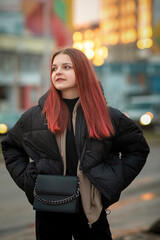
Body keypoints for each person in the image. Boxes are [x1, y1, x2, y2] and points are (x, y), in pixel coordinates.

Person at [1, 47, 150, 240]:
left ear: (82, 71)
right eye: (54, 68)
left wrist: (111, 181)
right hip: (49, 208)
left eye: (66, 67)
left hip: (91, 211)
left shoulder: (107, 115)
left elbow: (137, 150)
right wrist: (29, 179)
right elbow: (10, 146)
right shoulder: (35, 116)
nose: (58, 72)